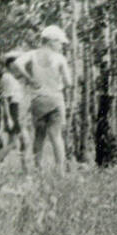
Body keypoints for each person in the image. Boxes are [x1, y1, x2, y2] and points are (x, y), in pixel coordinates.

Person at [15, 25, 72, 173]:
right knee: (56, 136)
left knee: (39, 136)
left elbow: (17, 63)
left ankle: (38, 167)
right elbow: (69, 82)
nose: (61, 45)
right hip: (55, 100)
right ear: (51, 41)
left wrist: (29, 78)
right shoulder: (60, 58)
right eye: (59, 42)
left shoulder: (33, 54)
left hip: (38, 99)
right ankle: (60, 170)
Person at [0, 49, 31, 170]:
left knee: (15, 143)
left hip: (17, 109)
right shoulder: (7, 77)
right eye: (17, 64)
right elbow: (5, 99)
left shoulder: (13, 78)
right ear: (10, 64)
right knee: (20, 141)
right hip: (13, 110)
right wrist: (8, 117)